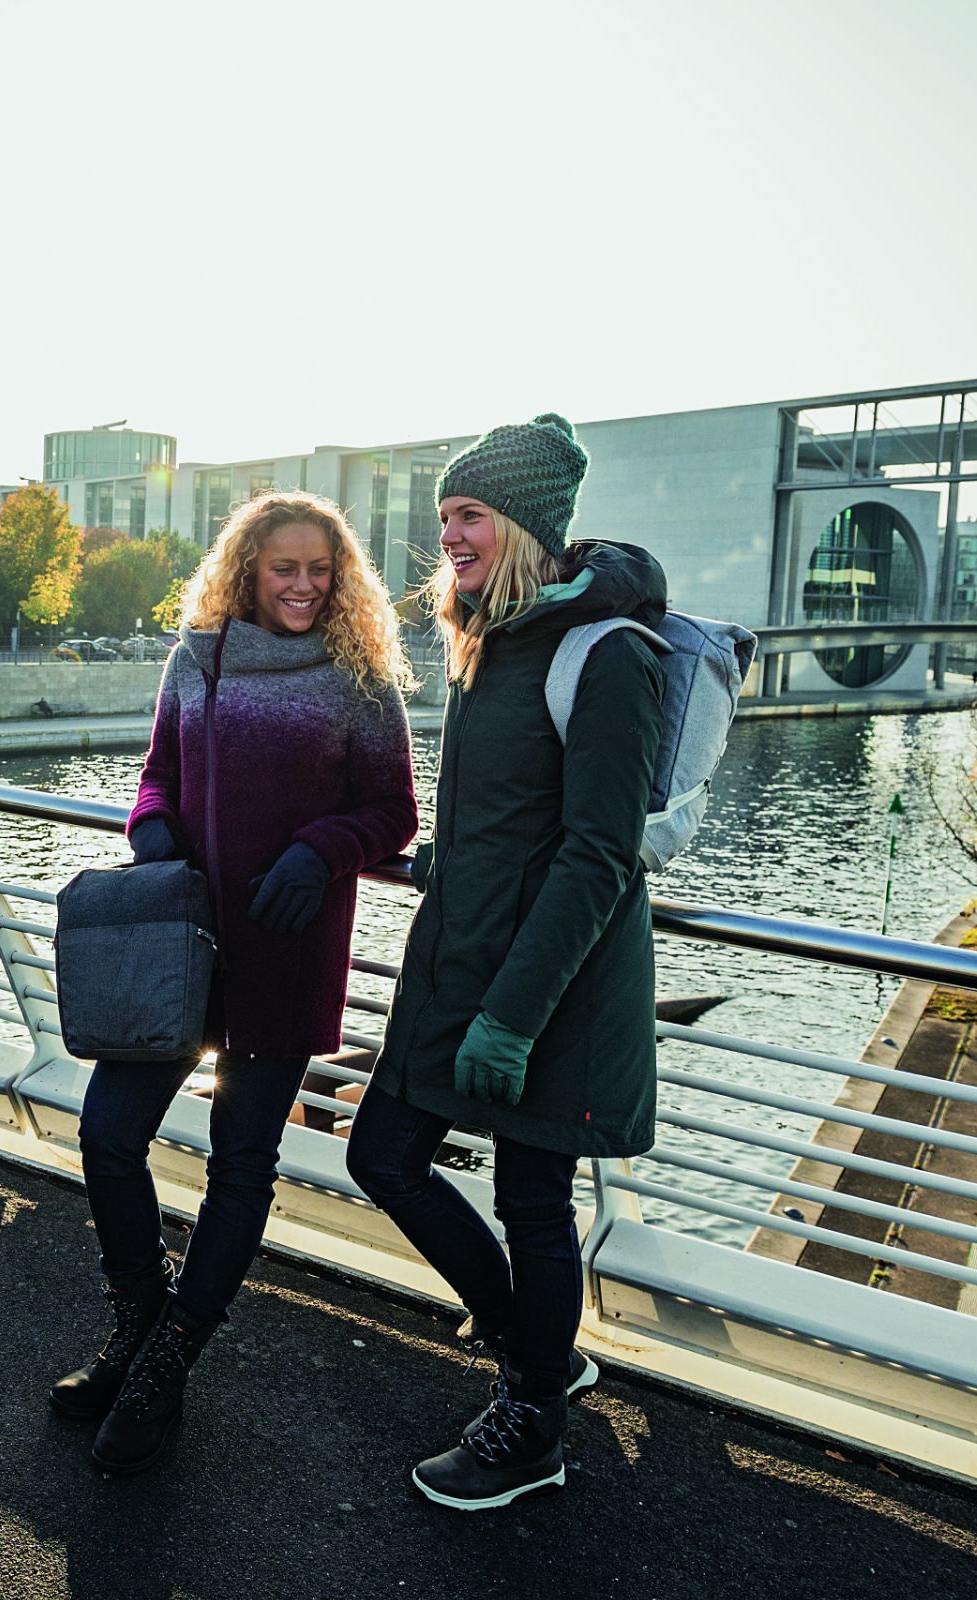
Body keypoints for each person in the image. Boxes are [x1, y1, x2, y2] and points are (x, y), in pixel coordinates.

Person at [345, 414, 669, 1510]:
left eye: (471, 514)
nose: (452, 537)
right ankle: (540, 1348)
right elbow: (514, 810)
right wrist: (441, 851)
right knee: (382, 1154)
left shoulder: (609, 651)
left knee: (535, 1200)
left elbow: (598, 857)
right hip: (463, 957)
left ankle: (533, 1419)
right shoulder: (484, 637)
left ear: (524, 523)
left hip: (555, 990)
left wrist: (514, 1019)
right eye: (445, 518)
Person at [64, 491, 419, 1476]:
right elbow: (156, 775)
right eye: (285, 568)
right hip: (179, 949)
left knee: (242, 1164)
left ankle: (166, 1364)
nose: (304, 585)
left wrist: (321, 847)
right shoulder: (200, 658)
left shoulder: (358, 677)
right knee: (107, 1130)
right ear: (248, 569)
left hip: (288, 949)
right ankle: (135, 1321)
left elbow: (394, 812)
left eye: (321, 570)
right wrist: (150, 823)